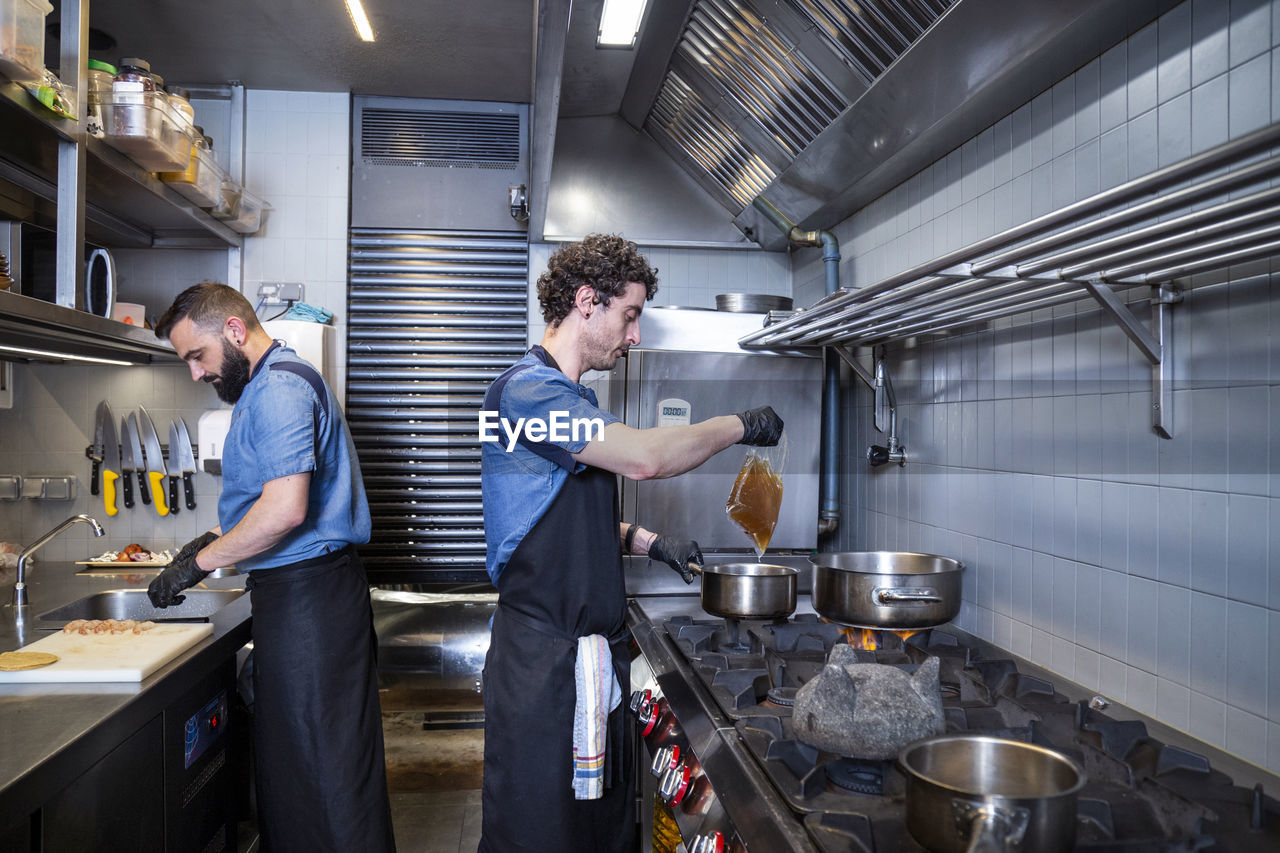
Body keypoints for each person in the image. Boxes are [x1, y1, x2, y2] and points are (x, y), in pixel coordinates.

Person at [478, 234, 783, 853]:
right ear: (587, 301)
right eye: (630, 314)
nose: (635, 335)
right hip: (545, 671)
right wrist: (739, 425)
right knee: (541, 837)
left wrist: (646, 541)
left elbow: (554, 518)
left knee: (600, 835)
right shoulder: (524, 394)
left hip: (588, 660)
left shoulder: (570, 400)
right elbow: (644, 459)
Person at [147, 283, 394, 853]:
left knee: (328, 778)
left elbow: (285, 509)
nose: (195, 373)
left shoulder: (281, 387)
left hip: (314, 605)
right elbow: (260, 501)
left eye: (196, 356)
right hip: (300, 601)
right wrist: (205, 543)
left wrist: (200, 564)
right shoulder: (266, 385)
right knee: (303, 776)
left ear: (234, 331)